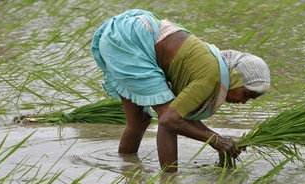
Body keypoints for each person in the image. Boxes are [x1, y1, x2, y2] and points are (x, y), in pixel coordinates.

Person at [91, 9, 271, 172]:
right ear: (235, 78)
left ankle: (125, 168)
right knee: (168, 117)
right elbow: (169, 120)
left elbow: (174, 117)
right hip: (130, 42)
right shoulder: (211, 76)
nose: (243, 102)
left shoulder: (210, 66)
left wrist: (219, 141)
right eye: (246, 94)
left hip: (126, 33)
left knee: (139, 121)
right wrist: (217, 141)